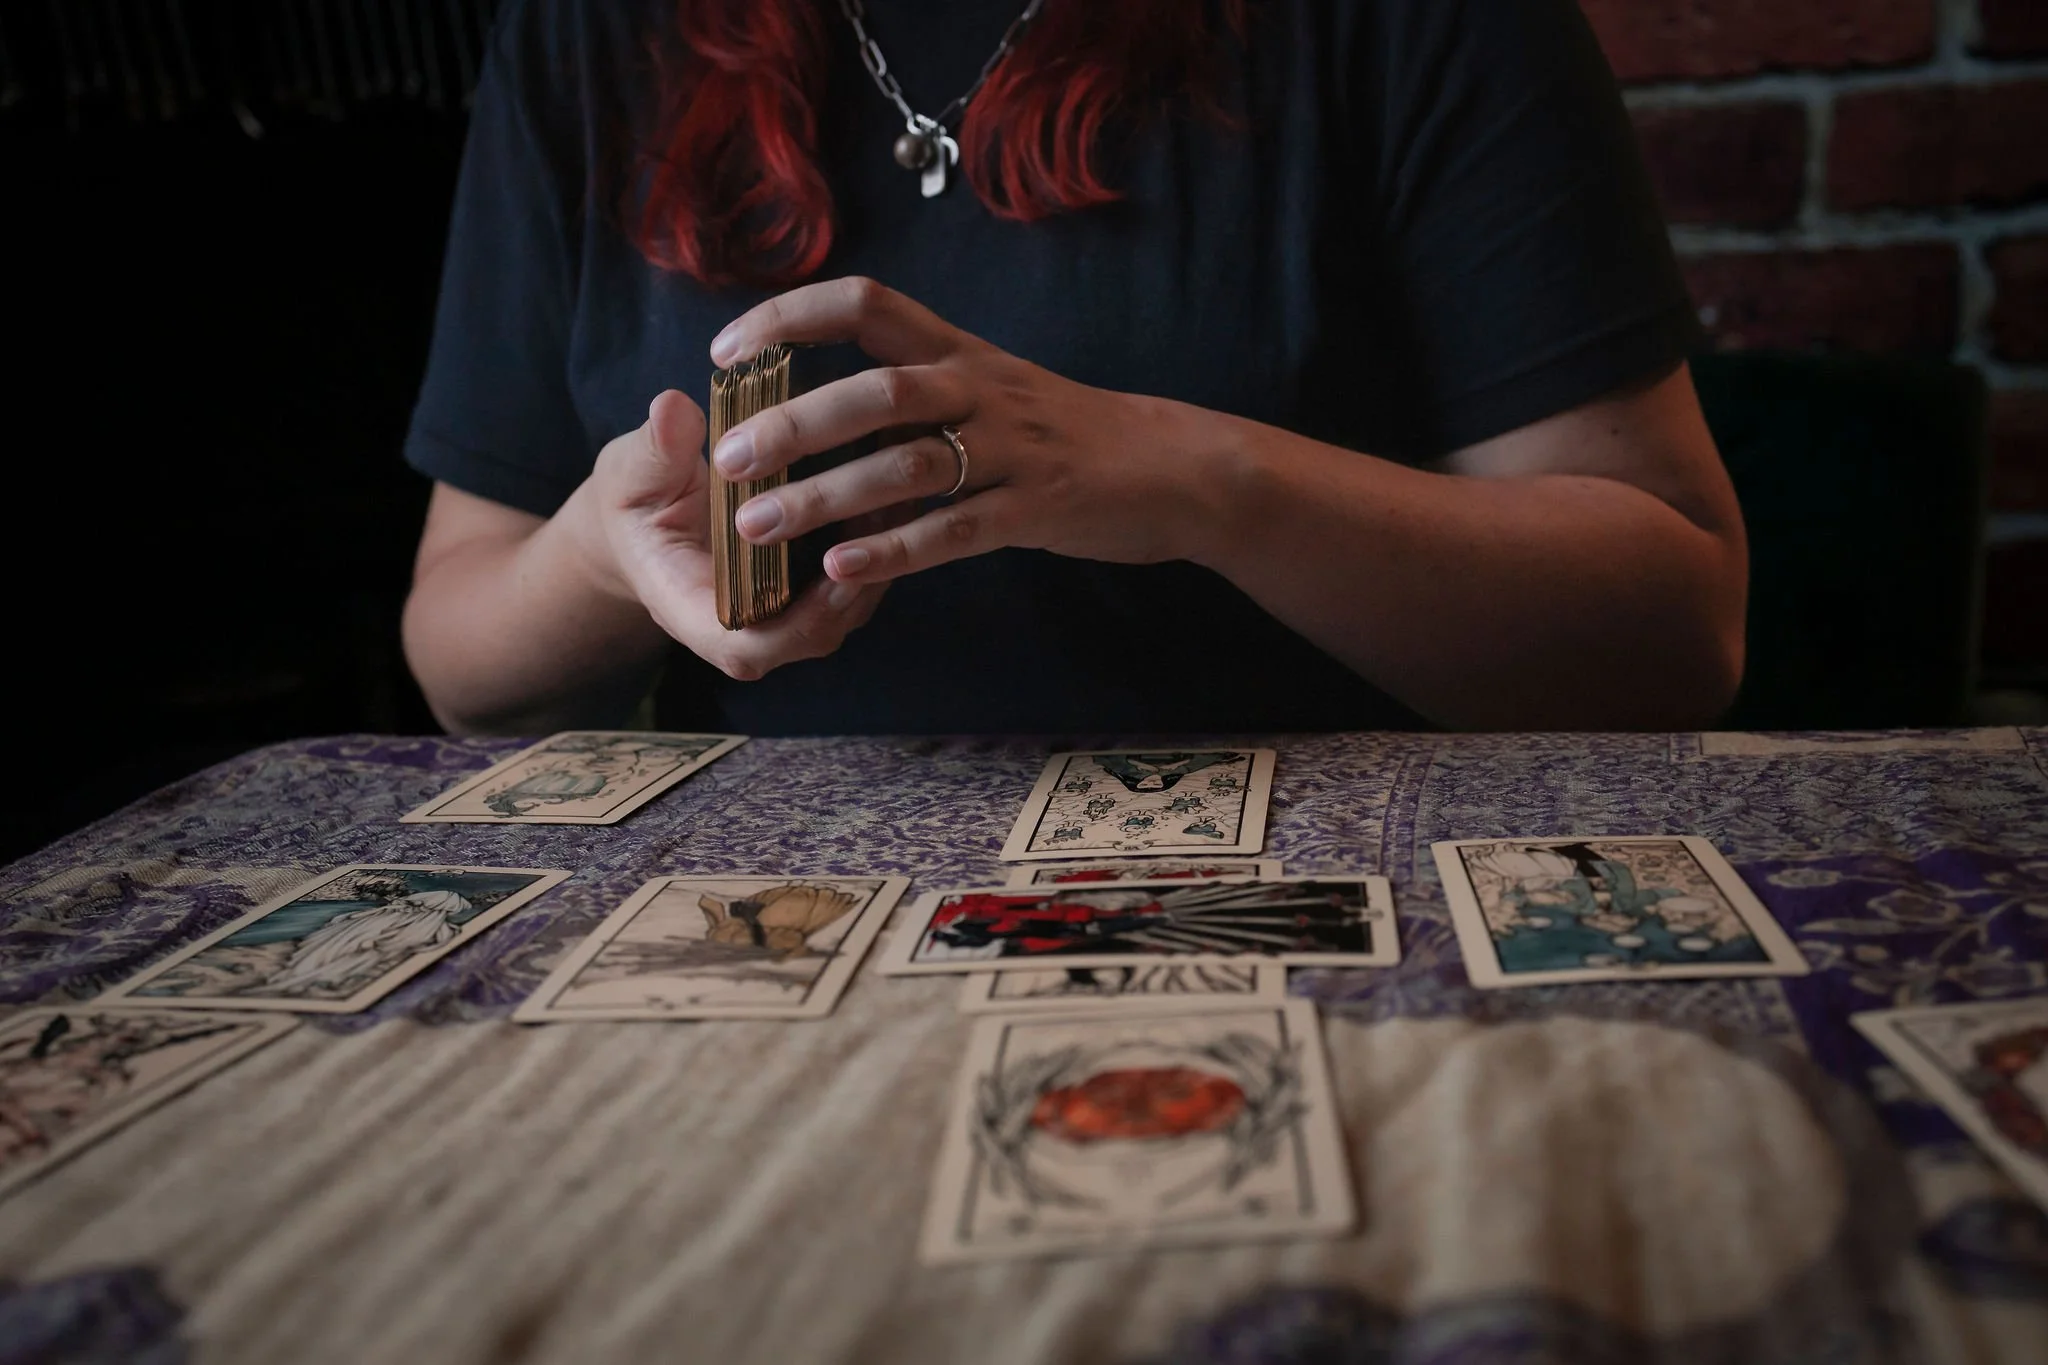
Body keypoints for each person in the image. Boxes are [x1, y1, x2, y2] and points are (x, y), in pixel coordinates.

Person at [401, 0, 1747, 737]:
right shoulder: (591, 35)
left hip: (1320, 915)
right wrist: (601, 553)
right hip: (769, 955)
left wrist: (1201, 483)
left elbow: (1676, 636)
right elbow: (462, 671)